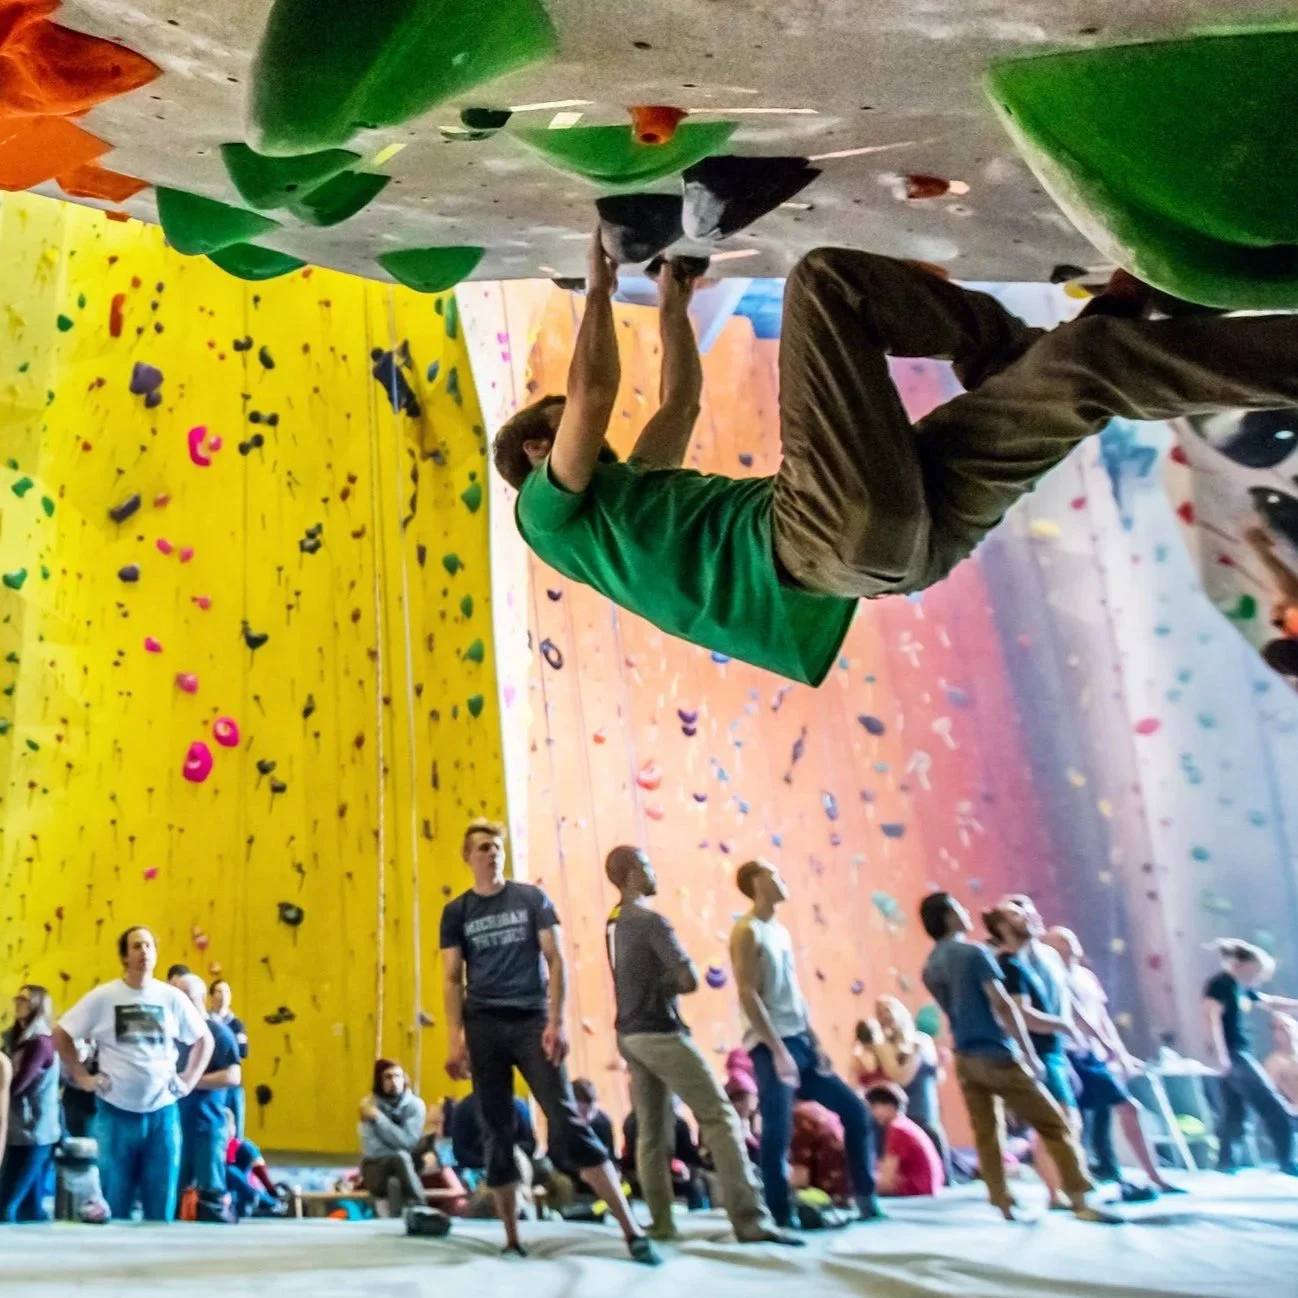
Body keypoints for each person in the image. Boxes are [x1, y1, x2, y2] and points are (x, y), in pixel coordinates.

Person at [495, 230, 1298, 688]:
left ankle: (1077, 344)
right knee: (826, 283)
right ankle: (1009, 354)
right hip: (819, 535)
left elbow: (678, 405)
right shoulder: (545, 515)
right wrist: (598, 286)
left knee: (1087, 373)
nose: (586, 428)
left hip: (896, 551)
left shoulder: (627, 501)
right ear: (537, 449)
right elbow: (593, 390)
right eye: (558, 423)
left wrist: (673, 305)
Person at [441, 820, 657, 1262]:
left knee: (566, 1118)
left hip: (531, 1020)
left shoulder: (531, 899)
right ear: (467, 857)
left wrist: (556, 1021)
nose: (492, 853)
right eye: (483, 848)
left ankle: (631, 1229)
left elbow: (556, 959)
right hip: (483, 1025)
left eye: (496, 847)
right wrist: (454, 1037)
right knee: (496, 1128)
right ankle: (512, 1238)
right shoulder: (457, 912)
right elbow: (450, 977)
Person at [605, 845, 792, 1243]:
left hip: (629, 1034)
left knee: (651, 1133)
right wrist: (664, 985)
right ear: (633, 872)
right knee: (720, 1117)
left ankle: (660, 1222)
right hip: (661, 1032)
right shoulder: (651, 921)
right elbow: (687, 978)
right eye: (646, 865)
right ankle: (751, 1219)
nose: (653, 871)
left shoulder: (613, 922)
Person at [918, 892, 1116, 1222]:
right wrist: (1026, 1052)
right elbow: (1004, 1005)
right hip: (996, 1053)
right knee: (1054, 1123)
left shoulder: (930, 966)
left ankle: (1002, 1199)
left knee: (987, 1132)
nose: (965, 912)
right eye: (958, 908)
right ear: (949, 917)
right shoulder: (974, 954)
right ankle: (1080, 1198)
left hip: (965, 1056)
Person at [730, 858, 881, 1227]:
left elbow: (793, 995)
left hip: (800, 1040)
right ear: (756, 882)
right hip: (771, 1044)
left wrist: (815, 1042)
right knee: (777, 1128)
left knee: (855, 1111)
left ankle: (865, 1198)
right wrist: (777, 1050)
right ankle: (780, 1213)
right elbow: (748, 994)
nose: (782, 879)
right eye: (773, 874)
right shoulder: (747, 931)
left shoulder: (780, 932)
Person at [53, 926, 214, 1222]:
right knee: (115, 1203)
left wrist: (189, 1081)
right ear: (124, 956)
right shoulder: (104, 997)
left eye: (149, 946)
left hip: (163, 1113)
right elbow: (61, 1033)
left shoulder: (171, 998)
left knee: (161, 1205)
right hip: (114, 1113)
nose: (144, 952)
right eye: (137, 946)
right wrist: (81, 1076)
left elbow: (205, 1040)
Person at [1042, 926, 1179, 1194]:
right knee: (1072, 1119)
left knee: (1128, 1107)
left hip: (1091, 1054)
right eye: (1060, 942)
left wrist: (1118, 1051)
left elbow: (1101, 1017)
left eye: (1070, 939)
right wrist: (1101, 1041)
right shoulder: (1053, 976)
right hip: (1067, 1052)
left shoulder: (1086, 977)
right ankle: (1073, 1181)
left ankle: (1154, 1176)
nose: (1068, 945)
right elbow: (1076, 1015)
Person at [985, 902, 1081, 1209]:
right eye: (1016, 913)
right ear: (1002, 927)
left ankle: (1061, 1190)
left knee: (1061, 1120)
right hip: (1037, 1049)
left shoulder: (1031, 960)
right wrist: (1062, 1026)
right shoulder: (1008, 965)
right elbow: (1020, 1015)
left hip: (1051, 1048)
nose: (1026, 916)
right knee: (1057, 1120)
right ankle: (1060, 1192)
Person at [1202, 939, 1298, 1173]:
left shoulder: (1241, 988)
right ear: (1244, 965)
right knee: (1274, 1107)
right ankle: (1287, 1161)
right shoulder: (1221, 985)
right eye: (1257, 971)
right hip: (1235, 1055)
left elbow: (1270, 1002)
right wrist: (1221, 1056)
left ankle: (1225, 1162)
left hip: (1237, 1055)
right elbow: (1211, 1017)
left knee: (1234, 1113)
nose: (1258, 977)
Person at [171, 973, 241, 1221]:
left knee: (210, 1196)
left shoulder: (218, 1033)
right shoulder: (174, 1033)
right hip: (176, 1125)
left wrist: (189, 1081)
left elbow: (233, 1075)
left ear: (200, 998)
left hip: (206, 1125)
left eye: (186, 997)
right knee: (174, 1194)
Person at [872, 995, 952, 1183]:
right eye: (881, 1013)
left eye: (889, 1010)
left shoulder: (923, 1040)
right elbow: (899, 1078)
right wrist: (914, 1054)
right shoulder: (883, 1046)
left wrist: (940, 1063)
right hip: (905, 1110)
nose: (887, 1016)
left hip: (927, 1106)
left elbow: (937, 1076)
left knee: (942, 1171)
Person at [0, 985, 60, 1221]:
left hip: (35, 1132)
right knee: (31, 1209)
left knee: (6, 1204)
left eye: (24, 999)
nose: (18, 1002)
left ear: (37, 1005)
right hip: (18, 1131)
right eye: (18, 998)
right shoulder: (16, 1039)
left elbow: (18, 1084)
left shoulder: (39, 1043)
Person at [359, 1058, 435, 1218]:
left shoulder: (415, 1105)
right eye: (388, 1077)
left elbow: (408, 1141)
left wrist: (379, 1118)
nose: (394, 1081)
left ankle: (413, 1211)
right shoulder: (368, 1105)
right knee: (400, 1157)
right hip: (375, 1166)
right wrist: (397, 1148)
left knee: (399, 1166)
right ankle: (420, 1205)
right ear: (379, 1080)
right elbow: (371, 1148)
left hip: (410, 1166)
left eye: (397, 1076)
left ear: (404, 1078)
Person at [865, 1083, 944, 1197]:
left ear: (889, 1106)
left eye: (874, 1108)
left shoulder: (897, 1130)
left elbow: (886, 1180)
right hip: (929, 1185)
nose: (872, 1114)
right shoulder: (905, 1125)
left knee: (860, 1184)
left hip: (918, 1187)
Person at [448, 1089, 536, 1178]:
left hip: (513, 1165)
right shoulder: (463, 1109)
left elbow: (530, 1144)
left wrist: (506, 1153)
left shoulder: (518, 1106)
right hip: (479, 1170)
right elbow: (460, 1153)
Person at [208, 979, 249, 1138]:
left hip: (233, 1086)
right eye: (219, 992)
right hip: (212, 1082)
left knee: (236, 1130)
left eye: (226, 992)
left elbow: (243, 1051)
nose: (223, 996)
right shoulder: (206, 1022)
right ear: (211, 996)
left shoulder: (237, 1024)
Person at [569, 1079, 616, 1167]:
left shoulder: (603, 1122)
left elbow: (610, 1155)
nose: (588, 1117)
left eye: (592, 1111)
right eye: (582, 1112)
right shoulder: (564, 1122)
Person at [1265, 1014, 1298, 1108]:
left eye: (1286, 1026)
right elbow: (1269, 1096)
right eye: (1278, 1028)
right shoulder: (1274, 1063)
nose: (1286, 1031)